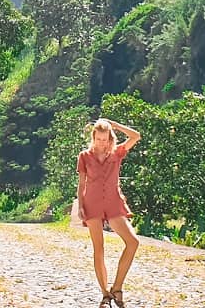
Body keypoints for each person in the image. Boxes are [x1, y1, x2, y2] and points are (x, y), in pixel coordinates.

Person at [77, 117, 141, 308]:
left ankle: (117, 288)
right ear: (93, 138)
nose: (102, 143)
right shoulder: (84, 156)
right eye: (98, 139)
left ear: (110, 139)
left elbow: (136, 136)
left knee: (133, 242)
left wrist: (116, 125)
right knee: (99, 249)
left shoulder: (117, 153)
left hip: (113, 203)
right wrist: (80, 206)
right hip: (92, 204)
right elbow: (82, 184)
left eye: (105, 139)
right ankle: (105, 294)